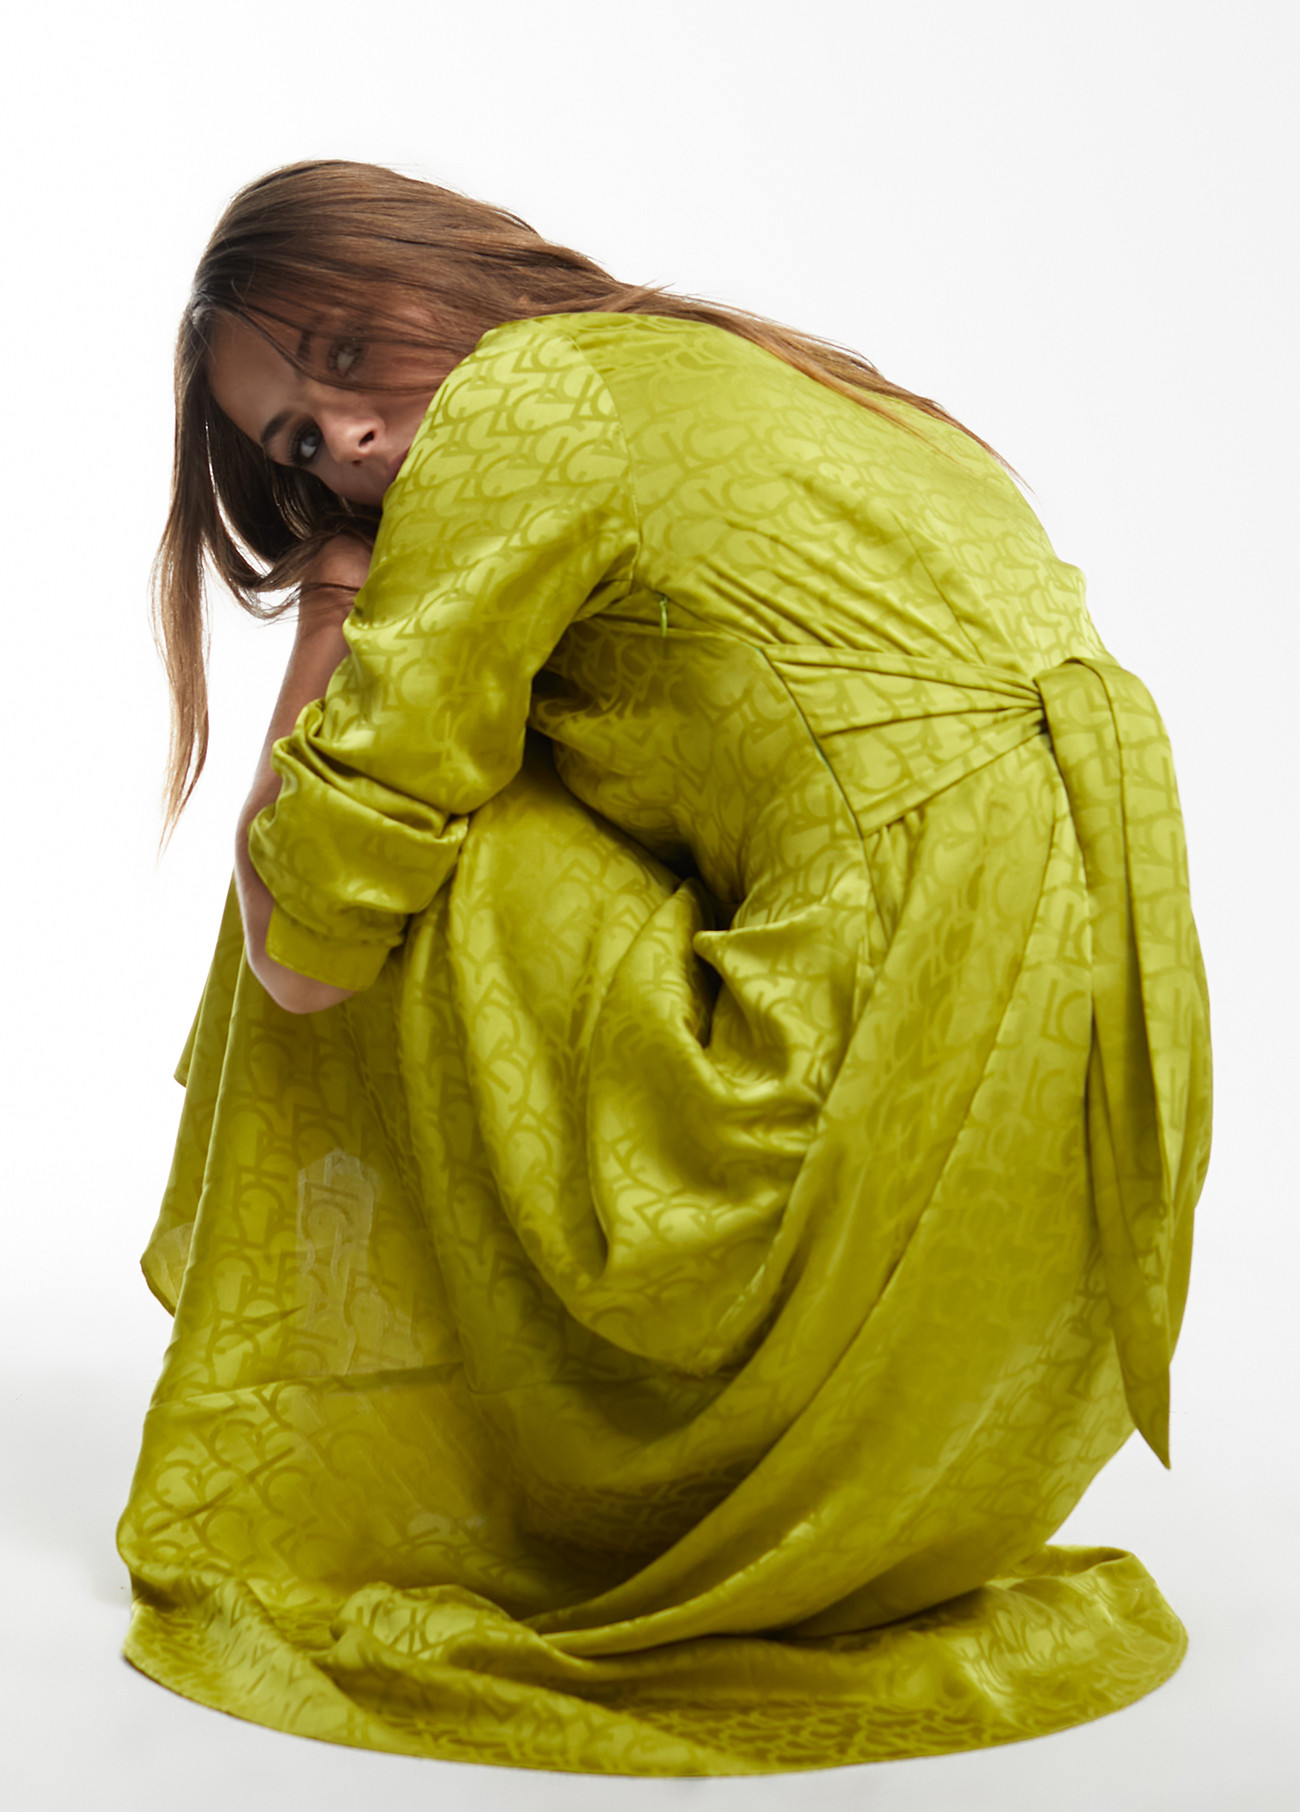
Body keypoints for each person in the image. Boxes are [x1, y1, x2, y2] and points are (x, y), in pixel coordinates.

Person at [117, 158, 1213, 1777]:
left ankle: (390, 1460)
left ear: (452, 267)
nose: (341, 438)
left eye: (344, 351)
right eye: (294, 439)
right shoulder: (778, 376)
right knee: (419, 786)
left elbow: (307, 949)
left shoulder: (529, 396)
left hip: (860, 1119)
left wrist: (333, 615)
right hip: (1077, 1180)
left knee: (341, 832)